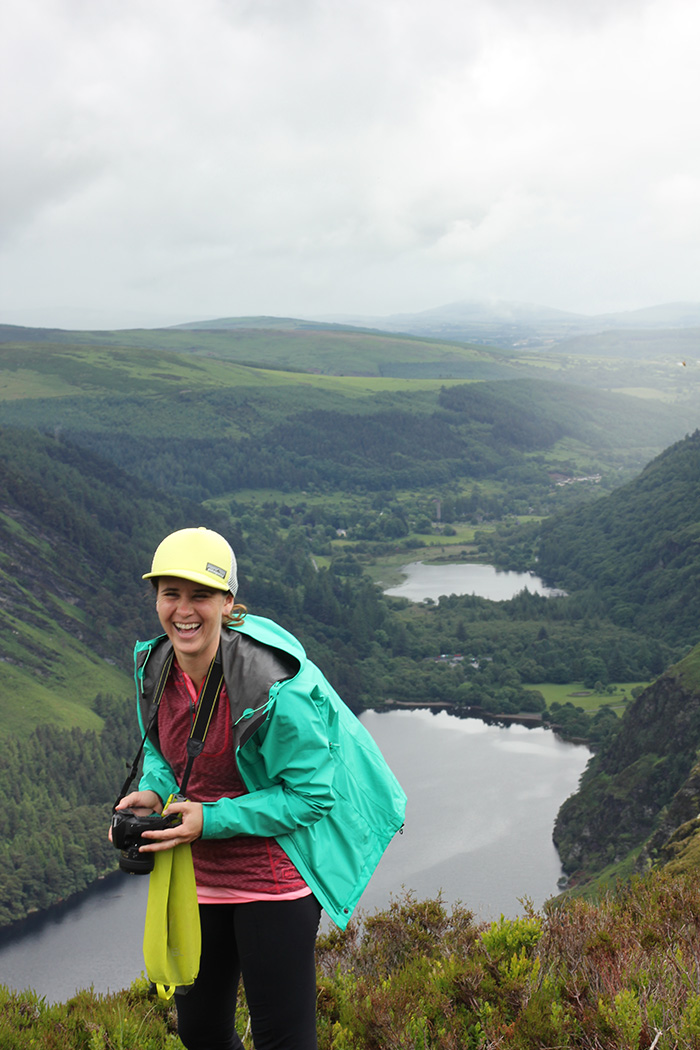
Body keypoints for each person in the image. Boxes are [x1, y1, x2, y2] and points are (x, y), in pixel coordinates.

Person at [113, 526, 406, 1050]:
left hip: (272, 879)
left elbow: (312, 796)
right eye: (170, 593)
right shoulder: (154, 667)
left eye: (200, 595)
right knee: (201, 1034)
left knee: (283, 1038)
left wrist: (211, 818)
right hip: (197, 874)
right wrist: (156, 792)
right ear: (156, 598)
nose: (184, 610)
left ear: (229, 603)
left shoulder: (273, 687)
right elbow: (162, 749)